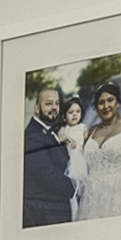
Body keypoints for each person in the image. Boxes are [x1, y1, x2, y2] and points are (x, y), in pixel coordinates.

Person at [73, 81, 121, 221]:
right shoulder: (90, 131)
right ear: (95, 107)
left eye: (110, 100)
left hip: (119, 195)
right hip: (91, 197)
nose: (106, 106)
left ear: (118, 102)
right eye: (101, 102)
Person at [19, 76, 75, 228]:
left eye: (57, 103)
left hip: (55, 211)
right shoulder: (32, 136)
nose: (54, 108)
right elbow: (46, 173)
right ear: (37, 108)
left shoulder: (50, 132)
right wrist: (77, 187)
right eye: (49, 103)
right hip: (44, 213)